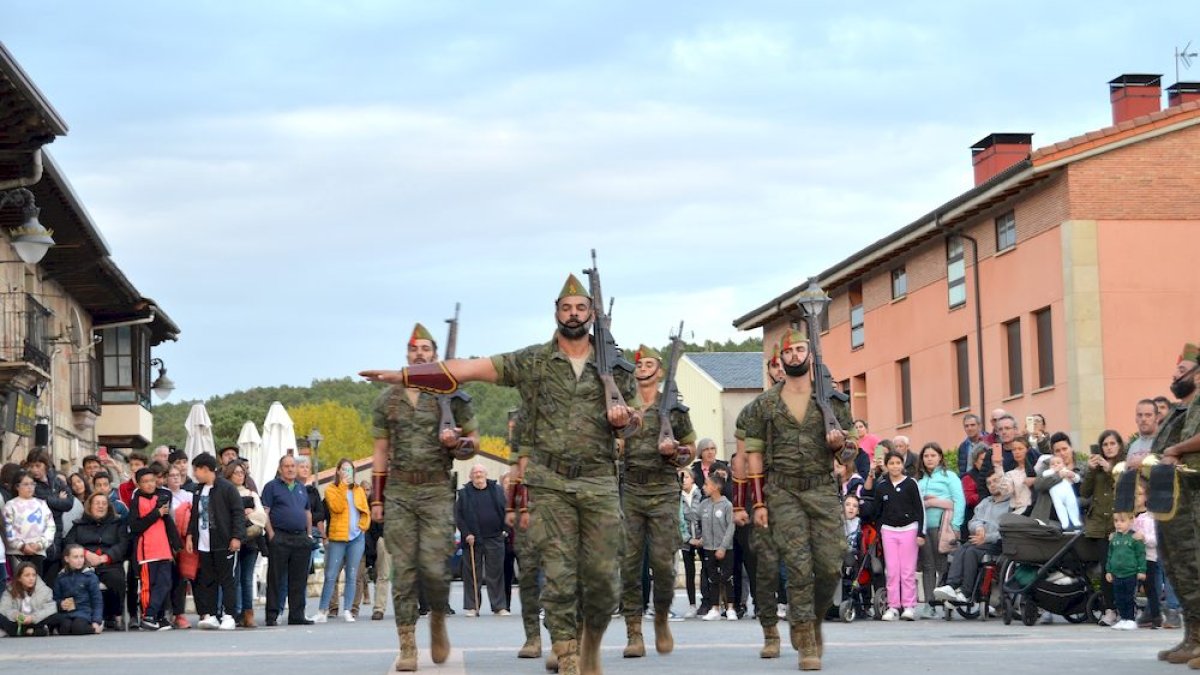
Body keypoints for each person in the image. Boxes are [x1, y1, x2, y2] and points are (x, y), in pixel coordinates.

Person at [360, 276, 632, 675]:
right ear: (555, 312)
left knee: (604, 576)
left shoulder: (615, 367)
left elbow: (636, 422)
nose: (573, 314)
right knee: (558, 574)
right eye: (566, 308)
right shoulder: (533, 361)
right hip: (550, 482)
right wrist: (405, 376)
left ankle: (588, 640)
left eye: (580, 307)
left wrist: (625, 420)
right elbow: (468, 369)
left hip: (598, 481)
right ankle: (568, 655)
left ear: (591, 313)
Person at [361, 322, 478, 671]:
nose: (420, 354)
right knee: (405, 570)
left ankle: (438, 617)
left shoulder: (452, 395)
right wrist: (377, 499)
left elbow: (474, 444)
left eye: (426, 349)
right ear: (407, 354)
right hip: (399, 491)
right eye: (414, 349)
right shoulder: (388, 399)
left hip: (436, 490)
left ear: (435, 356)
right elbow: (380, 451)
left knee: (436, 568)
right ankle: (408, 644)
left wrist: (456, 442)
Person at [738, 328, 852, 670]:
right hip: (783, 491)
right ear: (780, 359)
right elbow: (753, 455)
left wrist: (840, 446)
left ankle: (813, 617)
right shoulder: (765, 405)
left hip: (822, 489)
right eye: (788, 352)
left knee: (831, 565)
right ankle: (805, 639)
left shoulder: (832, 401)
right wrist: (758, 502)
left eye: (800, 350)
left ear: (810, 355)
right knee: (799, 567)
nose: (794, 356)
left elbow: (850, 455)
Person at [619, 343, 695, 657]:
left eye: (649, 364)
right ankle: (634, 632)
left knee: (664, 565)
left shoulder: (674, 409)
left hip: (663, 490)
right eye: (638, 365)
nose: (643, 369)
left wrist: (675, 451)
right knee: (629, 565)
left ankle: (661, 617)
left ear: (660, 371)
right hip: (631, 490)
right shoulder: (622, 406)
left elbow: (691, 449)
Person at [1142, 343, 1200, 664]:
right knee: (1178, 569)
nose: (1175, 376)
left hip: (1192, 498)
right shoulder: (1179, 411)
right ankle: (1192, 637)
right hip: (1172, 500)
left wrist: (1175, 450)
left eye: (1182, 370)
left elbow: (1177, 449)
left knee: (1193, 567)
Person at [863, 450, 925, 622]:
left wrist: (921, 532)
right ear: (886, 465)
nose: (895, 466)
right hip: (889, 531)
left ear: (902, 464)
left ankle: (909, 606)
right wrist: (881, 528)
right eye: (891, 463)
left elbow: (920, 510)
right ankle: (893, 606)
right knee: (891, 571)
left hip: (909, 530)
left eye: (898, 463)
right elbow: (877, 511)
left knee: (907, 571)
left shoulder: (911, 484)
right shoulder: (882, 486)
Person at [933, 472, 1010, 605]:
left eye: (995, 481)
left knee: (970, 551)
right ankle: (951, 585)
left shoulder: (1010, 505)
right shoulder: (985, 502)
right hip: (979, 541)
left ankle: (966, 592)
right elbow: (973, 521)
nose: (992, 485)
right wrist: (978, 528)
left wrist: (986, 537)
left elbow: (1007, 531)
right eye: (989, 483)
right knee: (962, 548)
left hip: (997, 543)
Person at [187, 453, 244, 631]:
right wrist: (190, 535)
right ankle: (211, 614)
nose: (194, 474)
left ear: (205, 469)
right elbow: (194, 515)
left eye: (196, 470)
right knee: (208, 580)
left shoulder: (227, 488)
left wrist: (236, 536)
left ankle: (229, 615)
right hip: (204, 543)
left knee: (227, 580)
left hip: (224, 541)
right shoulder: (198, 490)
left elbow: (238, 513)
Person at [316, 458, 370, 623]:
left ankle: (348, 609)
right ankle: (322, 610)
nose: (347, 473)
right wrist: (343, 487)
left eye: (350, 470)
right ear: (338, 471)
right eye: (344, 469)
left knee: (352, 575)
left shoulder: (359, 490)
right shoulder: (331, 490)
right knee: (331, 575)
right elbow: (337, 508)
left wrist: (362, 527)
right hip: (338, 538)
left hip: (356, 538)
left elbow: (365, 511)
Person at [63, 492, 128, 630]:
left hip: (109, 563)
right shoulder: (79, 524)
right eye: (97, 503)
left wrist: (106, 557)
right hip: (84, 563)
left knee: (116, 579)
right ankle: (82, 616)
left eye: (104, 503)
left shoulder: (117, 523)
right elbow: (69, 542)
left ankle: (116, 615)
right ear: (90, 506)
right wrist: (85, 554)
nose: (101, 506)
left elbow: (124, 544)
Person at [261, 455, 312, 627]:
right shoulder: (271, 487)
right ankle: (272, 615)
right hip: (280, 537)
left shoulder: (301, 488)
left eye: (292, 466)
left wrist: (309, 535)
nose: (290, 469)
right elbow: (265, 512)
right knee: (276, 578)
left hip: (300, 538)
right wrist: (271, 534)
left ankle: (297, 615)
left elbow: (307, 512)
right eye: (286, 466)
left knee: (299, 579)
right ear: (280, 468)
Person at [915, 442, 964, 618]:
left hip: (943, 526)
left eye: (933, 455)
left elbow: (959, 500)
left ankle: (945, 602)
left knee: (943, 564)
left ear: (940, 457)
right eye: (926, 456)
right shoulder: (919, 480)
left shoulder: (949, 476)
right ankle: (930, 604)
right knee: (927, 565)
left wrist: (955, 525)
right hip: (924, 528)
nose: (929, 459)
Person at [130, 467, 182, 631]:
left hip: (163, 549)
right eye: (145, 482)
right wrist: (156, 513)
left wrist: (176, 544)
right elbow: (135, 526)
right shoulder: (136, 501)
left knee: (165, 583)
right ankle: (148, 616)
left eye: (152, 481)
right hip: (147, 551)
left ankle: (156, 616)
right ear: (138, 484)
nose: (150, 484)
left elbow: (168, 522)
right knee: (148, 586)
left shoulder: (161, 497)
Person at [1083, 429, 1125, 626]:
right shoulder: (1096, 468)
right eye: (1105, 444)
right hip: (1100, 524)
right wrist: (1091, 470)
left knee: (1123, 566)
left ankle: (1127, 608)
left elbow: (1127, 488)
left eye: (1112, 443)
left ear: (1119, 445)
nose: (1109, 448)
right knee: (1107, 567)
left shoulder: (1124, 466)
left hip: (1121, 523)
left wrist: (1111, 471)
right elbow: (1084, 492)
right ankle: (1109, 610)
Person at [456, 464, 508, 618]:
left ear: (486, 474)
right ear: (470, 476)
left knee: (496, 574)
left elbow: (506, 509)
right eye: (475, 473)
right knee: (472, 574)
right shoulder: (464, 493)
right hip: (472, 540)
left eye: (480, 472)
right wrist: (467, 534)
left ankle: (499, 606)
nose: (478, 475)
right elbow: (458, 516)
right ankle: (472, 606)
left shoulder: (497, 490)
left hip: (495, 537)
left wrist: (505, 530)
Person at [225, 460, 266, 628]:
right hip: (232, 540)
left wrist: (247, 515)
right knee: (234, 579)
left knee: (247, 578)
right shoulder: (226, 493)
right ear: (229, 475)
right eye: (236, 472)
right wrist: (245, 513)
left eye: (242, 472)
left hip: (250, 541)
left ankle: (248, 613)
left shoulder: (251, 493)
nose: (240, 475)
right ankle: (235, 612)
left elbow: (262, 517)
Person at [693, 473, 735, 621]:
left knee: (727, 578)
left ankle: (730, 608)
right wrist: (700, 538)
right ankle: (714, 608)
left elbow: (730, 527)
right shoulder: (704, 505)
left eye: (706, 484)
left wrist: (723, 547)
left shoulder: (727, 505)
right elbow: (695, 519)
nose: (704, 487)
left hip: (725, 548)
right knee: (712, 579)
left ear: (716, 487)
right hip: (708, 548)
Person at [24, 451, 71, 583]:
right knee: (35, 582)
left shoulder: (57, 481)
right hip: (37, 540)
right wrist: (57, 500)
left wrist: (49, 501)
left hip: (56, 538)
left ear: (46, 465)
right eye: (31, 466)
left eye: (38, 466)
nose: (34, 470)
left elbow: (69, 503)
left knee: (51, 584)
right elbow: (37, 509)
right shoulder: (29, 483)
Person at [3, 469, 54, 574]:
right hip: (16, 553)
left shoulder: (42, 504)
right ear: (17, 487)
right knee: (18, 580)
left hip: (37, 552)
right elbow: (7, 529)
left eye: (32, 484)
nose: (30, 487)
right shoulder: (10, 505)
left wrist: (40, 544)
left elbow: (50, 527)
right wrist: (21, 546)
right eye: (26, 484)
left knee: (34, 580)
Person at [1106, 511, 1146, 631]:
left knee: (1129, 597)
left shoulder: (1135, 537)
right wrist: (1108, 571)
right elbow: (1110, 555)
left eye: (1122, 521)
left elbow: (1141, 555)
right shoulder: (1113, 538)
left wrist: (1142, 570)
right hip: (1116, 574)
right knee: (1119, 598)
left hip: (1130, 573)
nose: (1118, 524)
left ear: (1131, 521)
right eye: (1116, 521)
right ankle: (1123, 618)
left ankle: (1131, 619)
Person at [165, 465, 194, 629]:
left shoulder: (188, 495)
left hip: (184, 541)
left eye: (178, 475)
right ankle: (167, 611)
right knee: (167, 577)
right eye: (172, 475)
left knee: (182, 577)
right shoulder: (163, 494)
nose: (176, 477)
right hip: (167, 540)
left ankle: (179, 613)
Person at [52, 543, 103, 635]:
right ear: (67, 559)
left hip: (84, 612)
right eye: (75, 557)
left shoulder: (90, 576)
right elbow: (56, 598)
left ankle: (94, 629)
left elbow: (97, 601)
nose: (79, 560)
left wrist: (96, 621)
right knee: (64, 628)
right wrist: (60, 604)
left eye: (82, 557)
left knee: (78, 628)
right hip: (67, 613)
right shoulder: (61, 577)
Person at [1133, 484, 1162, 629]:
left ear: (1146, 497)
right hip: (1130, 558)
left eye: (1139, 494)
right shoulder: (1127, 517)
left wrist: (1144, 537)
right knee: (1127, 586)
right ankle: (1127, 614)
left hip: (1147, 558)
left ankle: (1156, 616)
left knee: (1149, 588)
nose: (1135, 497)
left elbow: (1155, 540)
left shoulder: (1150, 517)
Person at [0, 561, 57, 636]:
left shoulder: (43, 589)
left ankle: (23, 632)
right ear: (19, 578)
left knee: (53, 615)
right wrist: (15, 615)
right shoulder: (10, 590)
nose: (31, 578)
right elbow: (4, 608)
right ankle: (30, 631)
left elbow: (51, 608)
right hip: (17, 621)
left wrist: (32, 618)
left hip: (35, 621)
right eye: (27, 575)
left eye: (34, 575)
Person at [679, 470, 702, 619]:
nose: (683, 480)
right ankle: (692, 604)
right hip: (686, 540)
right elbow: (679, 520)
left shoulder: (701, 494)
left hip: (703, 538)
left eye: (686, 477)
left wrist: (703, 537)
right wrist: (688, 539)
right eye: (681, 478)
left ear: (692, 479)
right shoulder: (677, 497)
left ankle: (708, 602)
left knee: (707, 570)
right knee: (689, 572)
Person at [994, 437, 1036, 515]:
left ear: (1028, 450)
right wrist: (998, 466)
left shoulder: (1037, 467)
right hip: (1020, 512)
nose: (1017, 452)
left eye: (1020, 449)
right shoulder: (1011, 473)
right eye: (1014, 449)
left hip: (1037, 509)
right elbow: (1005, 491)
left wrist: (1035, 480)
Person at [1042, 455, 1083, 530]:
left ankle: (1076, 521)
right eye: (1052, 464)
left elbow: (1077, 479)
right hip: (1056, 495)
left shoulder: (1065, 471)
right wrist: (1054, 471)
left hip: (1068, 493)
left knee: (1072, 505)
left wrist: (1073, 475)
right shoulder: (1049, 472)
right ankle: (1065, 523)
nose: (1055, 465)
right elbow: (1044, 474)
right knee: (1060, 508)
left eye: (1058, 463)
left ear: (1063, 464)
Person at [1128, 398, 1159, 464]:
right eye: (1140, 415)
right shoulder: (1133, 446)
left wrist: (1142, 461)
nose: (1143, 419)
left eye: (1148, 415)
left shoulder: (1165, 442)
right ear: (1136, 419)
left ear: (1157, 418)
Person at [62, 472, 88, 537]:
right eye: (73, 484)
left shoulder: (92, 499)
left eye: (79, 481)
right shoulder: (70, 501)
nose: (77, 485)